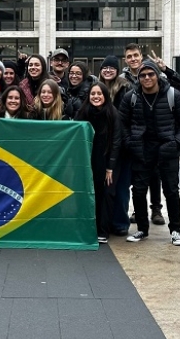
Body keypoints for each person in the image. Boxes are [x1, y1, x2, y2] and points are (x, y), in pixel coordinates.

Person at [118, 61, 180, 246]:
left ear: (158, 75)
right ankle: (142, 229)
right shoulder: (131, 97)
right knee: (138, 191)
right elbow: (122, 123)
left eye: (151, 74)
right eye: (143, 75)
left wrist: (176, 143)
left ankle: (175, 230)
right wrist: (129, 142)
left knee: (171, 191)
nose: (147, 78)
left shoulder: (172, 95)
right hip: (141, 150)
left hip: (167, 150)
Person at [75, 82, 122, 244]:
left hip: (108, 161)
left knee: (106, 195)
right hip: (88, 160)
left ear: (105, 96)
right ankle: (89, 227)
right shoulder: (83, 112)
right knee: (91, 193)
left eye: (99, 94)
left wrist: (111, 167)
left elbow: (116, 141)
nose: (96, 97)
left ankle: (103, 230)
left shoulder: (113, 113)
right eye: (93, 94)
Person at [98, 55, 133, 236]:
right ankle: (106, 221)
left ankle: (120, 222)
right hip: (104, 146)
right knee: (106, 187)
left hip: (122, 147)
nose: (108, 70)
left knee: (121, 187)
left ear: (117, 71)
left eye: (112, 68)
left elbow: (125, 119)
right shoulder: (96, 89)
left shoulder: (125, 89)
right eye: (105, 67)